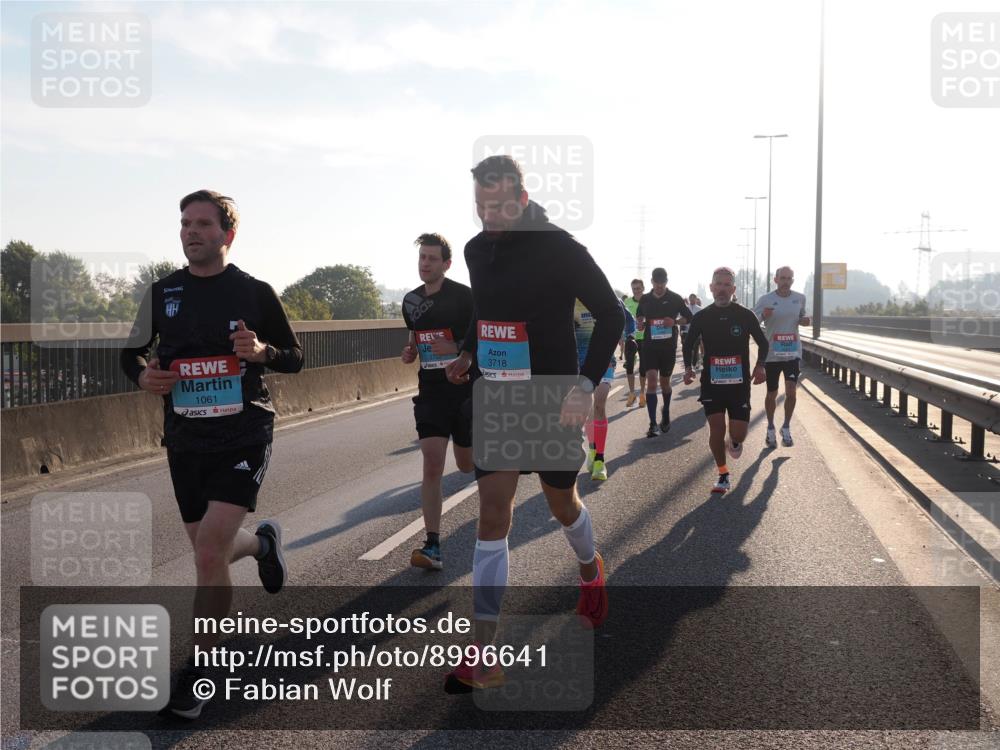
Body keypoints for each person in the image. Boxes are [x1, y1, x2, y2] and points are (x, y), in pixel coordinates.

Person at [120, 189, 303, 719]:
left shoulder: (254, 292)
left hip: (244, 434)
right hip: (185, 439)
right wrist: (142, 374)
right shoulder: (163, 292)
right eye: (184, 223)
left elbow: (294, 357)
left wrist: (262, 352)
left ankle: (203, 669)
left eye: (202, 223)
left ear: (228, 233)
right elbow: (129, 352)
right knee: (211, 548)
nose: (191, 232)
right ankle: (264, 546)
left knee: (206, 554)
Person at [444, 155, 623, 692]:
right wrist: (470, 353)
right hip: (499, 400)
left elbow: (613, 314)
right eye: (480, 206)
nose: (488, 216)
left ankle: (590, 570)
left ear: (522, 199)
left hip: (553, 399)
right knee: (492, 516)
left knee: (561, 504)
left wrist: (586, 386)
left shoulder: (560, 247)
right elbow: (486, 310)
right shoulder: (476, 250)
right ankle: (484, 649)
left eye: (499, 205)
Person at [400, 233, 476, 570]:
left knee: (466, 465)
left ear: (446, 264)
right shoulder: (410, 301)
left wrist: (465, 359)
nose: (425, 263)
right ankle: (432, 545)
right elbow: (417, 336)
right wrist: (411, 349)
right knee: (432, 463)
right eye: (422, 258)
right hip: (430, 390)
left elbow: (477, 338)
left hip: (464, 389)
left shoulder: (464, 297)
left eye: (432, 258)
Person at [683, 267, 768, 493]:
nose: (722, 289)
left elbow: (764, 342)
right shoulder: (702, 316)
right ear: (711, 288)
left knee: (738, 433)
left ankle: (736, 441)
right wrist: (689, 368)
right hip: (712, 384)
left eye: (726, 285)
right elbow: (688, 342)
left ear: (733, 289)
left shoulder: (745, 315)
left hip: (739, 386)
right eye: (718, 284)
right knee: (716, 429)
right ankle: (722, 474)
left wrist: (760, 366)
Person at [753, 266, 811, 447]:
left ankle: (786, 427)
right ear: (775, 279)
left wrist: (805, 320)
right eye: (783, 278)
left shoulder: (799, 298)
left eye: (789, 278)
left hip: (792, 353)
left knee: (791, 391)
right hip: (772, 354)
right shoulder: (766, 299)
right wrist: (763, 314)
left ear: (792, 280)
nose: (786, 282)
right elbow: (753, 321)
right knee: (772, 393)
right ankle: (770, 428)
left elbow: (803, 316)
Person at [635, 268, 692, 437]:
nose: (659, 286)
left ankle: (665, 411)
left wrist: (674, 321)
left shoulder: (675, 298)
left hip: (668, 347)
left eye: (663, 283)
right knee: (652, 381)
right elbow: (640, 317)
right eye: (657, 283)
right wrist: (640, 323)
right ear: (652, 282)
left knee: (665, 383)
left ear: (666, 282)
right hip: (650, 346)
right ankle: (652, 424)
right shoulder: (645, 299)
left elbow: (689, 317)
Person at [577, 297, 627, 481]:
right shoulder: (567, 298)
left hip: (603, 359)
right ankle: (592, 447)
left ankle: (599, 459)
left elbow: (626, 319)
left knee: (599, 404)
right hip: (579, 361)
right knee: (588, 409)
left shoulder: (603, 295)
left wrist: (629, 336)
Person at [622, 279, 646, 407]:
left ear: (643, 288)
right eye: (634, 288)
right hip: (630, 338)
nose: (636, 290)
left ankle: (642, 393)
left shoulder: (648, 301)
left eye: (638, 288)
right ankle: (632, 393)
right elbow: (622, 319)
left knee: (643, 368)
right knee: (629, 366)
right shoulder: (627, 302)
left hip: (645, 338)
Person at [681, 293, 703, 368]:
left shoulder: (700, 309)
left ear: (696, 299)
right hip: (686, 332)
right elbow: (682, 319)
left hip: (696, 332)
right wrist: (681, 330)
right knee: (686, 348)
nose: (692, 299)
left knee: (695, 348)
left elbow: (702, 321)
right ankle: (687, 364)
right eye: (691, 298)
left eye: (694, 298)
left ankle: (694, 363)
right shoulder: (685, 308)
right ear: (689, 299)